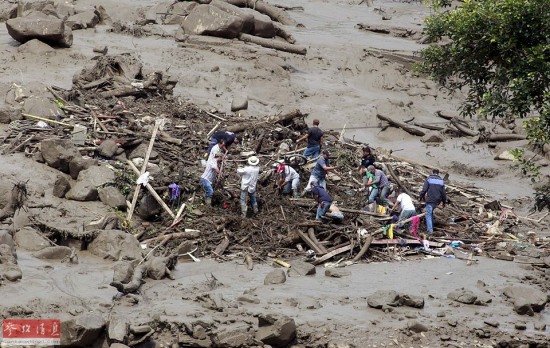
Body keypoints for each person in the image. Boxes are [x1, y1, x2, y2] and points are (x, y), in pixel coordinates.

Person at [419, 169, 447, 234]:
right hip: (437, 201)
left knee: (428, 214)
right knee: (430, 213)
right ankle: (432, 227)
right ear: (438, 173)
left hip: (430, 199)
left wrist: (421, 197)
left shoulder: (429, 179)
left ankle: (430, 231)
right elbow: (443, 193)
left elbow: (424, 190)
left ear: (432, 172)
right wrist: (444, 202)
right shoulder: (441, 181)